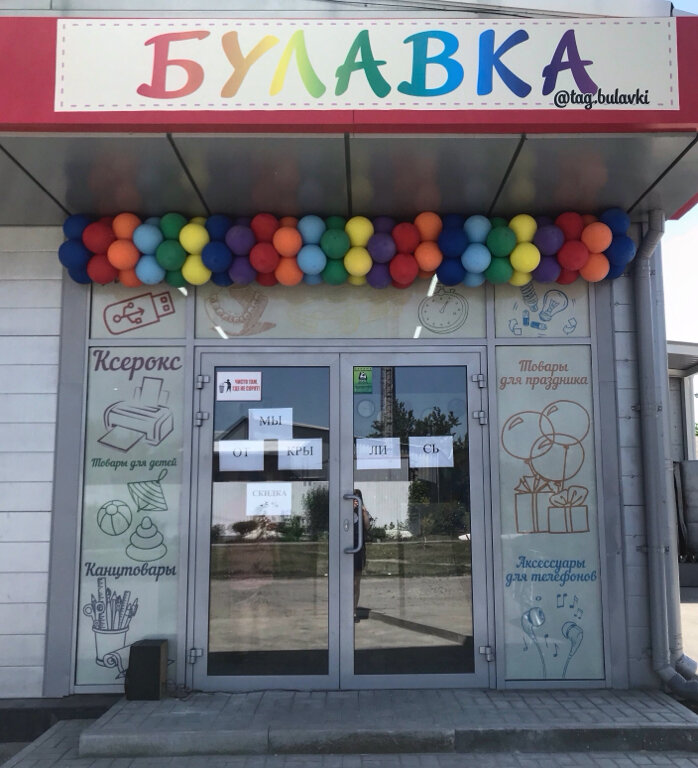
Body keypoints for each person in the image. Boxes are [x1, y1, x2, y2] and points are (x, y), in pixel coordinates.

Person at [353, 488, 371, 621]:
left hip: (358, 549)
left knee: (356, 583)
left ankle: (353, 610)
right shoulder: (345, 512)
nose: (355, 502)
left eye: (357, 499)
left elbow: (367, 526)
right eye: (353, 499)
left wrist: (364, 512)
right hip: (347, 549)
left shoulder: (362, 512)